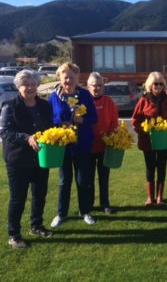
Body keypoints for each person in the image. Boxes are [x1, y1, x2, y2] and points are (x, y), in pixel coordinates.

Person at [0, 69, 54, 249]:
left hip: (41, 158)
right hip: (17, 160)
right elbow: (4, 132)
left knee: (39, 195)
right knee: (18, 198)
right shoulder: (10, 106)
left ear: (38, 85)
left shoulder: (44, 105)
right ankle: (14, 234)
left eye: (33, 84)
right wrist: (27, 138)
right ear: (18, 87)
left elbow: (50, 128)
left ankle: (36, 226)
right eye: (25, 85)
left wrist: (62, 131)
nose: (30, 88)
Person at [49, 62, 98, 227]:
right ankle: (61, 214)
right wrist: (60, 124)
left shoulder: (84, 95)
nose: (68, 80)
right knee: (64, 180)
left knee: (82, 180)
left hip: (82, 143)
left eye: (72, 77)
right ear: (59, 78)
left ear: (77, 78)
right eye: (65, 77)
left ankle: (85, 212)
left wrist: (82, 120)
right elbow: (49, 119)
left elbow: (94, 118)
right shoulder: (53, 96)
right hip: (63, 146)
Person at [131, 72, 167, 205]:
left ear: (164, 85)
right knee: (150, 167)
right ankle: (149, 197)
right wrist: (143, 130)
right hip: (148, 142)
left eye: (160, 84)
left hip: (164, 140)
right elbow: (135, 120)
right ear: (150, 85)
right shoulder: (143, 100)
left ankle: (160, 197)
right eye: (155, 84)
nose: (158, 86)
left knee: (162, 167)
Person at [87, 72, 119, 215]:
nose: (97, 88)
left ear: (103, 87)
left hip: (105, 147)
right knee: (88, 177)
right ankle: (88, 204)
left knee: (104, 176)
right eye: (94, 85)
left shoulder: (108, 102)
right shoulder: (83, 101)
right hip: (87, 147)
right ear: (88, 86)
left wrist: (111, 136)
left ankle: (105, 204)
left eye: (100, 85)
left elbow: (114, 121)